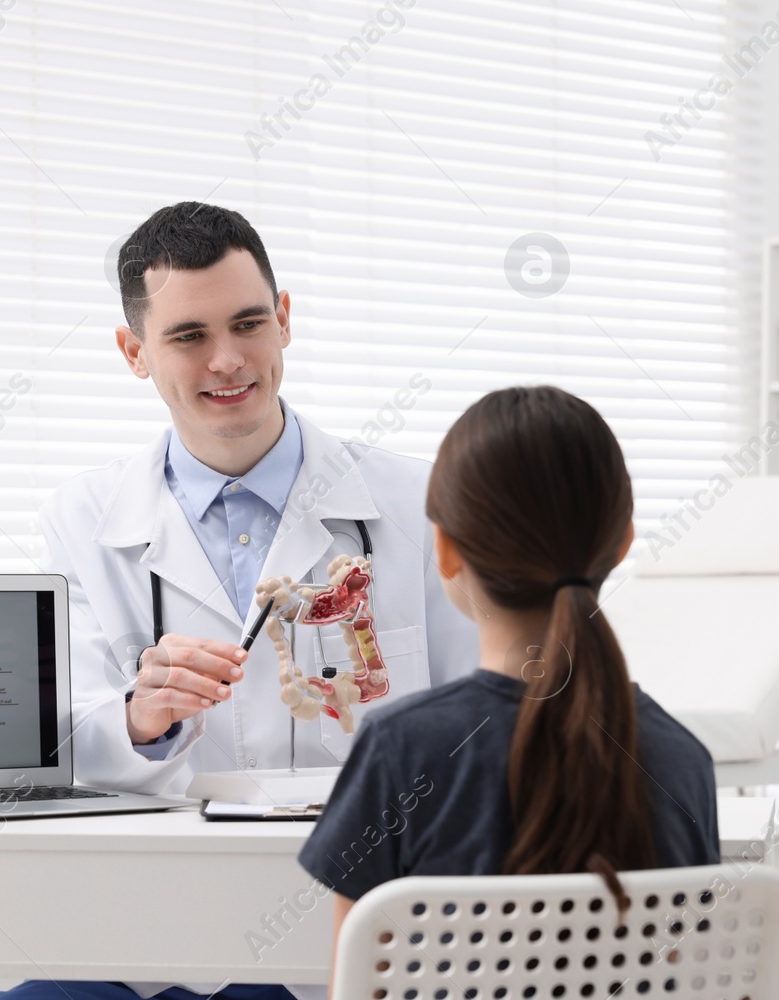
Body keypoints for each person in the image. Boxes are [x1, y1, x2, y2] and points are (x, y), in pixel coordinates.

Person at [0, 203, 477, 1000]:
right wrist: (140, 720)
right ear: (134, 352)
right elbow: (59, 736)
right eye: (188, 336)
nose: (227, 360)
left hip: (356, 931)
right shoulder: (82, 517)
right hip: (152, 933)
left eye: (249, 322)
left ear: (284, 320)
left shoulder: (421, 501)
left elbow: (480, 721)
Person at [297, 385, 721, 978]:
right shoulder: (680, 760)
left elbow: (360, 981)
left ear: (444, 552)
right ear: (623, 545)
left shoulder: (400, 750)